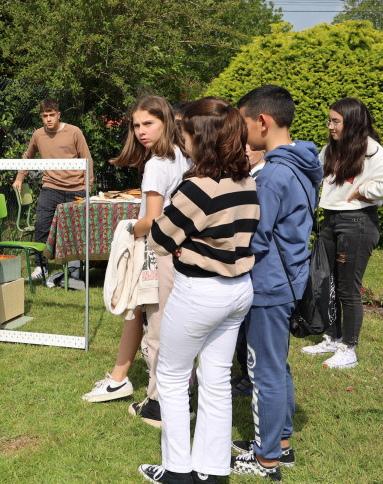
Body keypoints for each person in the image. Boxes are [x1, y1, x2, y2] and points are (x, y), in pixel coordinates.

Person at [138, 97, 259, 484]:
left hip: (201, 291)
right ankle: (212, 470)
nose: (182, 138)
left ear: (201, 138)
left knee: (172, 379)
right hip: (239, 289)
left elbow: (159, 236)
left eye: (186, 131)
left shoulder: (199, 188)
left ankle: (177, 471)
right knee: (217, 379)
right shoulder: (246, 178)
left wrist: (176, 231)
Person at [231, 85, 323, 482]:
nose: (240, 133)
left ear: (262, 122)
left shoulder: (271, 176)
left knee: (262, 372)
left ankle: (265, 459)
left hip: (267, 286)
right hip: (288, 283)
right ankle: (280, 444)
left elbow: (255, 237)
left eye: (242, 123)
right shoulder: (302, 163)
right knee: (276, 366)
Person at [82, 97, 189, 432]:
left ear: (167, 122)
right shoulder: (182, 156)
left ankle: (160, 402)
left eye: (149, 124)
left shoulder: (159, 163)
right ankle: (126, 380)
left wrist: (129, 226)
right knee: (149, 316)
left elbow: (154, 220)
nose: (142, 131)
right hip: (179, 250)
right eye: (137, 125)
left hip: (161, 251)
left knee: (157, 327)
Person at [301, 98, 383, 369]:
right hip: (330, 221)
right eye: (330, 120)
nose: (330, 126)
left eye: (336, 121)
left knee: (348, 288)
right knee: (330, 283)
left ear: (352, 122)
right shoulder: (330, 150)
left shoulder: (370, 150)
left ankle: (349, 349)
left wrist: (364, 191)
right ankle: (333, 338)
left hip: (357, 224)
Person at [13, 98, 93, 283]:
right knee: (41, 226)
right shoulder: (38, 135)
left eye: (51, 115)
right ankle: (41, 267)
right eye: (44, 116)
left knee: (75, 230)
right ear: (41, 117)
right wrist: (19, 178)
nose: (48, 119)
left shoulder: (74, 132)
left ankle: (75, 269)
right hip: (50, 187)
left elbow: (87, 160)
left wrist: (87, 188)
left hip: (76, 188)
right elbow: (28, 156)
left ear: (59, 114)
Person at [231, 144, 266, 398]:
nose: (245, 151)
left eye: (251, 147)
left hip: (255, 264)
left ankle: (250, 375)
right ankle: (245, 371)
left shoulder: (263, 180)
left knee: (252, 328)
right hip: (244, 263)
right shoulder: (247, 176)